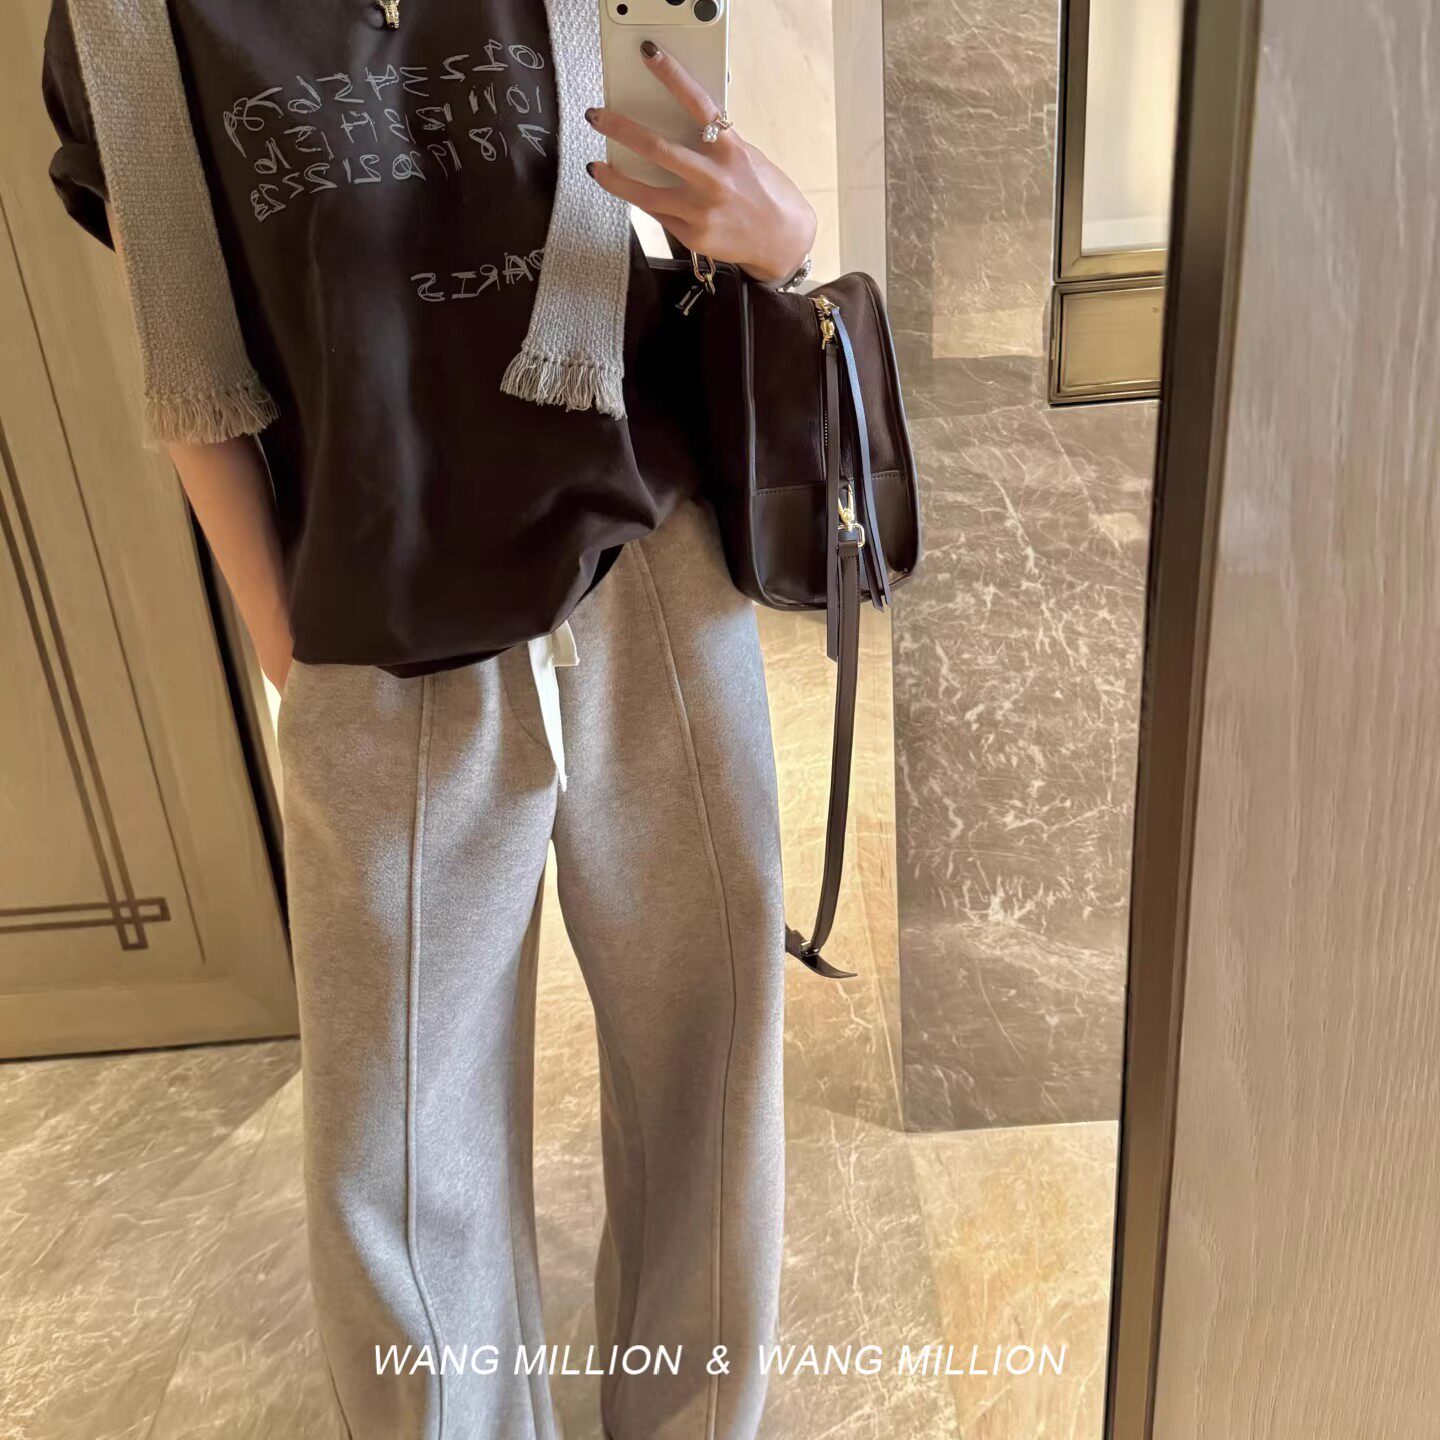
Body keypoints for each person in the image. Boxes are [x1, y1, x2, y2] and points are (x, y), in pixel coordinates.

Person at [41, 0, 817, 1435]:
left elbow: (684, 209)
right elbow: (190, 368)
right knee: (393, 1149)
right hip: (377, 604)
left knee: (706, 1049)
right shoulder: (131, 23)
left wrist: (781, 242)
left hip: (646, 551)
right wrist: (287, 641)